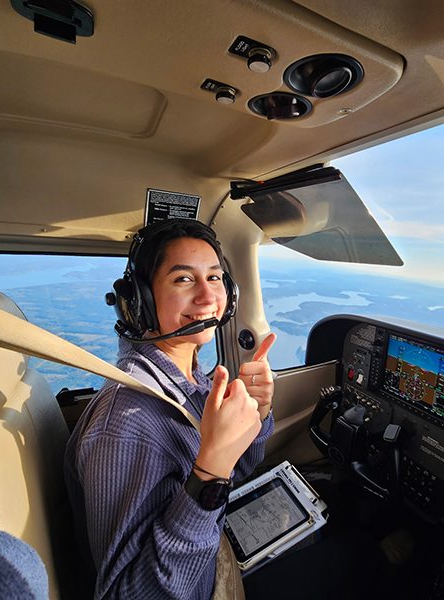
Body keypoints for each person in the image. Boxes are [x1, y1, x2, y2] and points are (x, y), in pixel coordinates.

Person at [64, 219, 276, 600]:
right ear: (143, 299)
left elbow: (239, 475)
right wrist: (209, 474)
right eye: (183, 279)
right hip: (201, 585)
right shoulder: (129, 423)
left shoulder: (190, 380)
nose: (208, 297)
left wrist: (255, 416)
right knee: (354, 553)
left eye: (214, 277)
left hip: (212, 561)